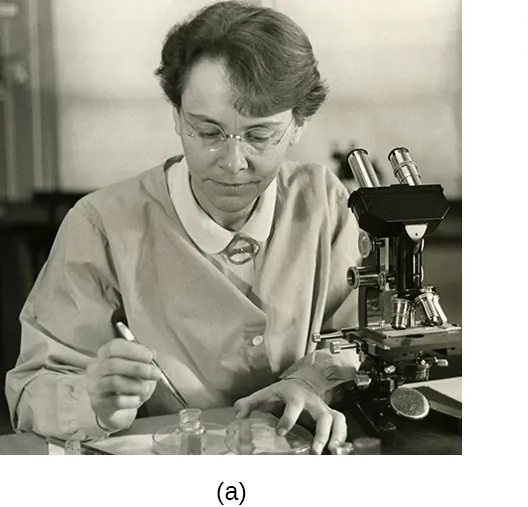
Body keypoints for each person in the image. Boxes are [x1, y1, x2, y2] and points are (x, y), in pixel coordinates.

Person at [5, 1, 359, 455]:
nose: (233, 164)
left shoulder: (324, 203)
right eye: (208, 132)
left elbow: (358, 341)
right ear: (176, 114)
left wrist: (311, 381)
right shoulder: (101, 225)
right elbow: (32, 387)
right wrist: (93, 400)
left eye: (259, 135)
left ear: (297, 125)